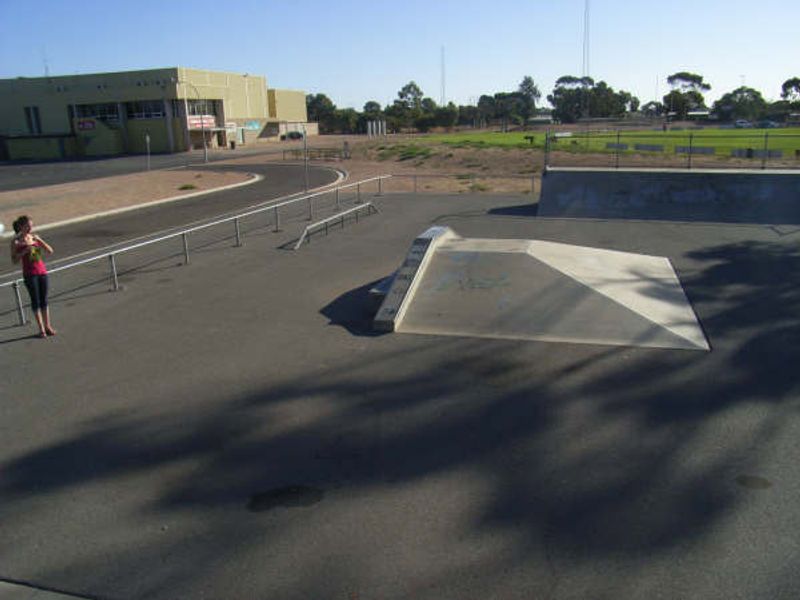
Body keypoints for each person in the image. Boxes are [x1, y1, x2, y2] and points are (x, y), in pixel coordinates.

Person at [10, 215, 56, 338]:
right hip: (30, 275)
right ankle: (41, 329)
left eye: (31, 226)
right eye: (28, 226)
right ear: (21, 226)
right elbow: (14, 260)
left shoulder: (34, 237)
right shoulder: (16, 242)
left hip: (42, 272)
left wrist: (39, 241)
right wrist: (24, 251)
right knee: (35, 301)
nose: (30, 228)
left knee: (44, 300)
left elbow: (50, 250)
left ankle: (48, 326)